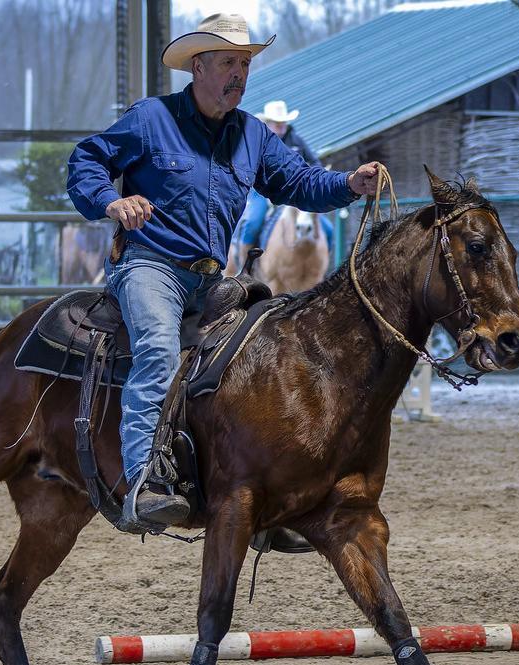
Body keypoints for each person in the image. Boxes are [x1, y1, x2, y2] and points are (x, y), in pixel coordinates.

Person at [66, 13, 380, 531]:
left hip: (213, 278)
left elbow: (300, 183)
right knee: (158, 349)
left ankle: (265, 488)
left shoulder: (252, 136)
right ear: (198, 66)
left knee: (267, 357)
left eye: (245, 63)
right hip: (150, 267)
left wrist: (350, 182)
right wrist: (111, 204)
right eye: (229, 62)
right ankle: (144, 482)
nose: (240, 73)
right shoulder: (150, 119)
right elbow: (87, 160)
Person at [236, 100, 334, 252]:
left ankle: (324, 262)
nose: (281, 125)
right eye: (276, 122)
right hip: (263, 191)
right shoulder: (258, 142)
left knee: (327, 229)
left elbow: (315, 163)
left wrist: (310, 178)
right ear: (267, 123)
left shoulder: (296, 141)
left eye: (283, 122)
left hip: (295, 190)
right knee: (253, 223)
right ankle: (243, 264)